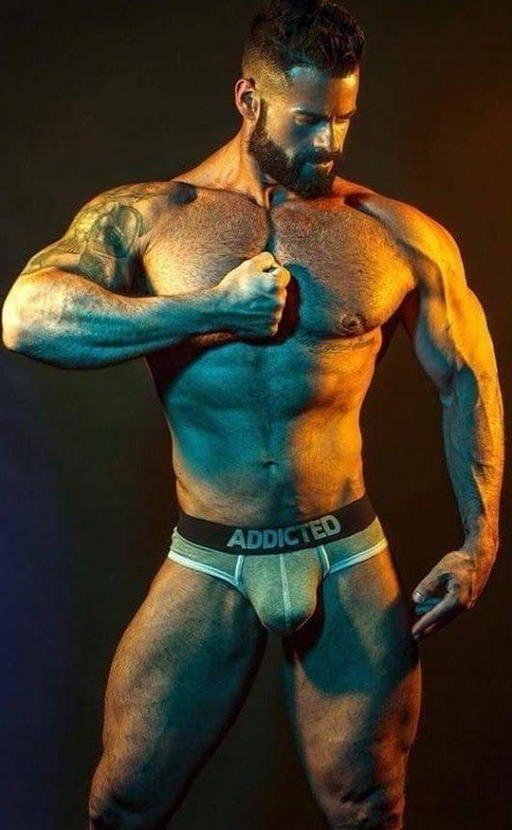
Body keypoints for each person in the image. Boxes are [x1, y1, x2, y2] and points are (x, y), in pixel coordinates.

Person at [1, 1, 504, 828]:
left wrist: (479, 541)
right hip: (212, 557)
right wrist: (209, 310)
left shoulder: (396, 233)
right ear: (248, 99)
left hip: (345, 556)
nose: (328, 143)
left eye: (343, 120)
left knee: (370, 807)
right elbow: (28, 318)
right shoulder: (155, 216)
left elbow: (469, 378)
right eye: (308, 120)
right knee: (125, 804)